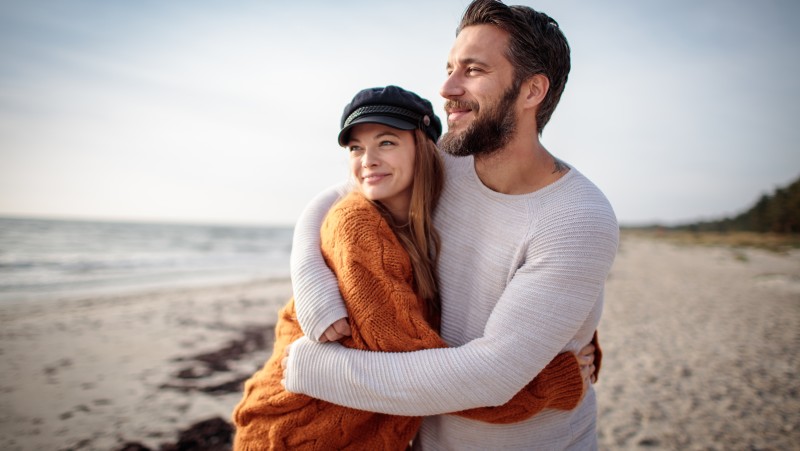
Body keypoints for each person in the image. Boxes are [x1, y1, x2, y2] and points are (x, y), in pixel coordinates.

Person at [282, 1, 619, 449]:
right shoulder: (447, 161)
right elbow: (333, 197)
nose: (446, 87)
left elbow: (489, 376)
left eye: (473, 70)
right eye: (449, 67)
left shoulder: (575, 218)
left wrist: (315, 370)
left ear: (532, 90)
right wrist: (312, 284)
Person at [232, 86, 597, 450]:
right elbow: (422, 383)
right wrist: (554, 380)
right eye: (356, 148)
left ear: (425, 148)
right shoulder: (358, 227)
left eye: (386, 142)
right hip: (295, 436)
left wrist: (562, 332)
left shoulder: (423, 216)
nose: (367, 160)